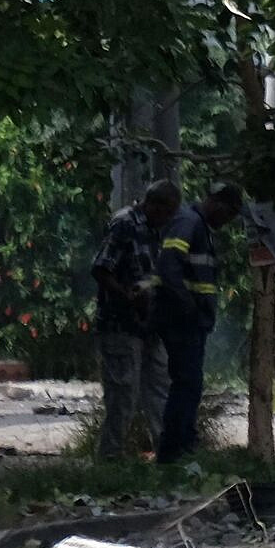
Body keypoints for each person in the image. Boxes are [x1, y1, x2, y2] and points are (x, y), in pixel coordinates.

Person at [92, 180, 182, 460]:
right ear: (154, 206)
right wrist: (127, 296)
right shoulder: (125, 224)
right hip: (120, 326)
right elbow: (101, 268)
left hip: (149, 327)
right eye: (167, 212)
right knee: (123, 395)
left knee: (159, 390)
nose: (169, 219)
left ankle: (167, 456)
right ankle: (110, 460)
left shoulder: (156, 230)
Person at [153, 182, 242, 464]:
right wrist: (189, 307)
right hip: (182, 321)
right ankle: (174, 452)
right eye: (227, 216)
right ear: (217, 204)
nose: (226, 224)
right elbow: (168, 266)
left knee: (189, 384)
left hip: (191, 321)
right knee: (186, 383)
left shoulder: (198, 227)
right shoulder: (188, 223)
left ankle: (184, 446)